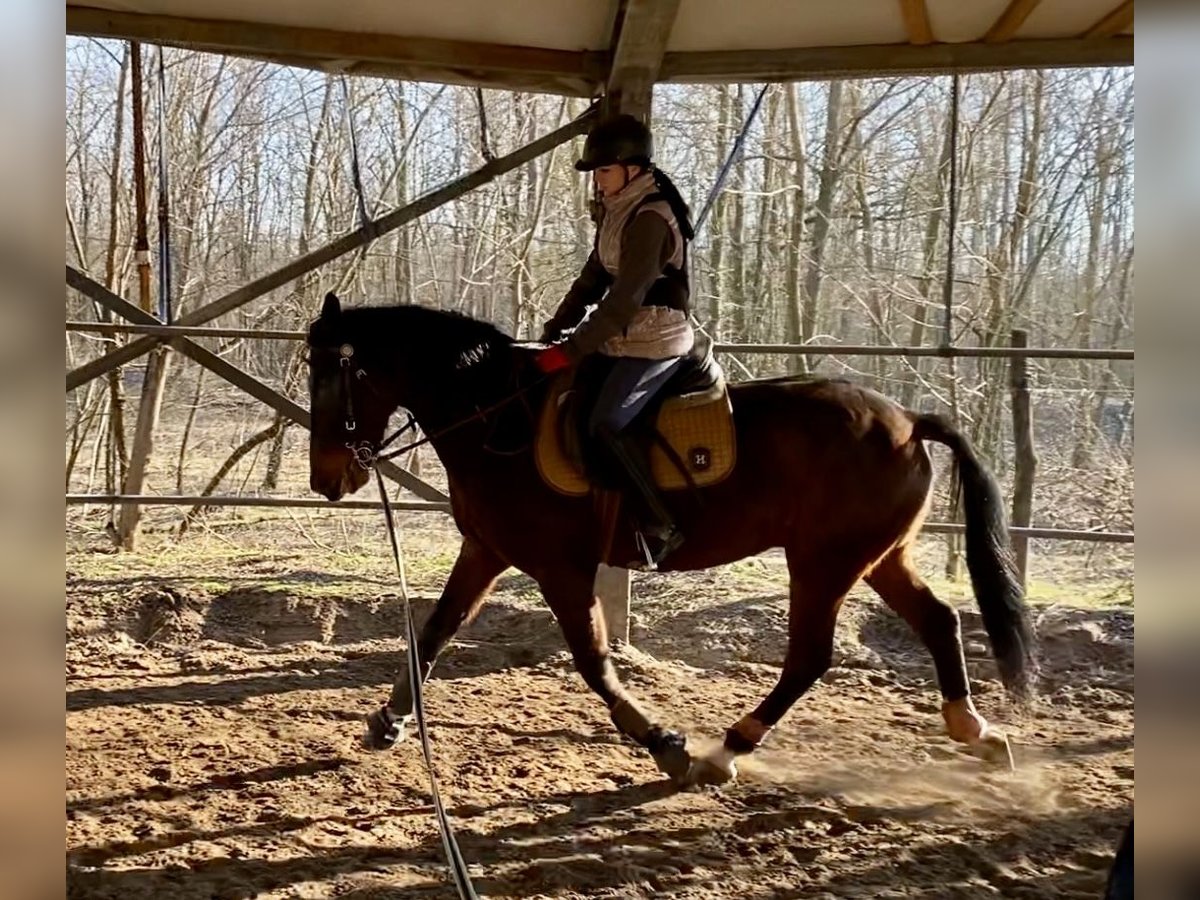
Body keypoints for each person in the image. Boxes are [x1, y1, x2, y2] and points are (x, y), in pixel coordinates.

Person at [532, 113, 696, 568]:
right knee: (566, 398)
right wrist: (554, 327)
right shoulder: (617, 211)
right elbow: (592, 279)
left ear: (633, 168)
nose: (597, 181)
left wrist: (572, 349)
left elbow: (623, 300)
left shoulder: (650, 218)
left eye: (603, 171)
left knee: (606, 424)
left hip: (655, 341)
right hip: (620, 340)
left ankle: (659, 525)